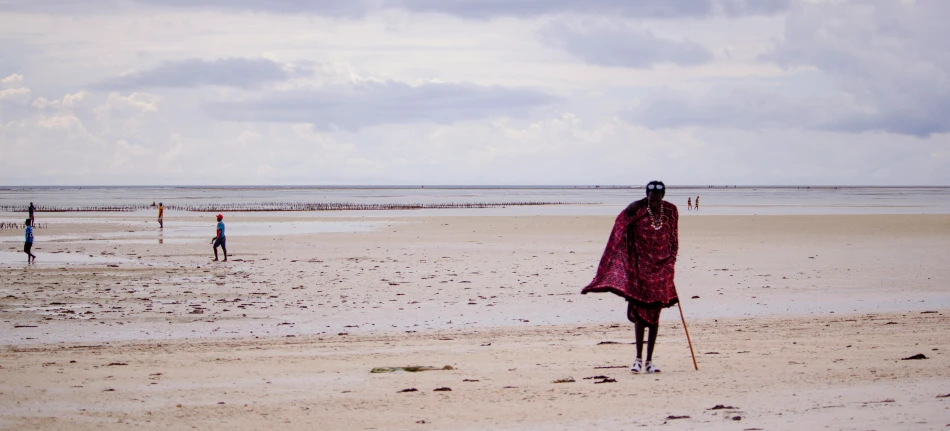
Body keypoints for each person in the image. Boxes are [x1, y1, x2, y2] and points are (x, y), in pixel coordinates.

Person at [582, 180, 679, 374]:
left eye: (658, 199)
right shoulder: (637, 210)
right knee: (640, 316)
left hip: (660, 271)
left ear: (663, 197)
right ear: (647, 196)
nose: (655, 202)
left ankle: (650, 360)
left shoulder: (670, 211)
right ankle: (637, 358)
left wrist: (670, 263)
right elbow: (620, 226)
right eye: (651, 199)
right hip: (639, 270)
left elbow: (673, 239)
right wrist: (628, 209)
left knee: (654, 316)